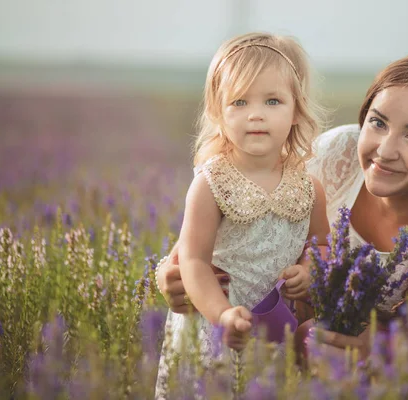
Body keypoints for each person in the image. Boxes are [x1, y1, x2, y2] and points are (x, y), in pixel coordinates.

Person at [156, 53, 408, 367]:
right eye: (378, 122)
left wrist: (380, 353)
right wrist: (173, 275)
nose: (385, 150)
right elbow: (241, 217)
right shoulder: (334, 157)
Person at [154, 32, 329, 398]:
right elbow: (194, 261)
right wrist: (222, 315)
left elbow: (320, 245)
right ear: (218, 112)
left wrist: (310, 271)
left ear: (296, 109)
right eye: (239, 101)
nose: (256, 114)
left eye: (272, 100)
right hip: (213, 327)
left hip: (273, 333)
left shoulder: (309, 187)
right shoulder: (211, 184)